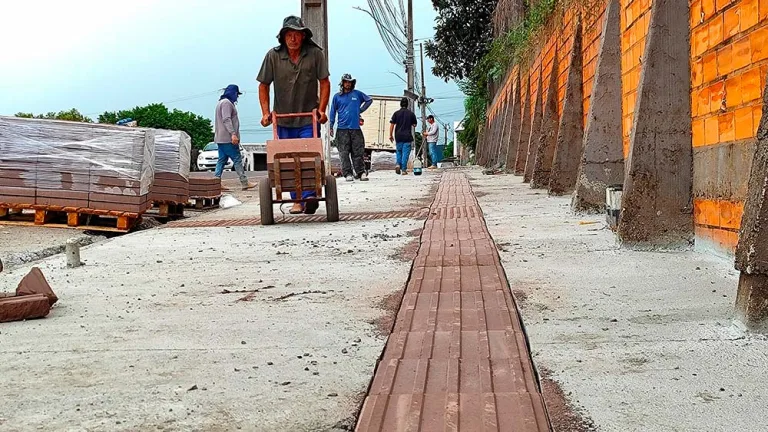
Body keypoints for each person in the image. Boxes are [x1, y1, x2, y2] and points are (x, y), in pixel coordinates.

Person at [257, 15, 331, 214]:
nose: (293, 39)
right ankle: (297, 200)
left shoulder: (315, 54)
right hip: (283, 119)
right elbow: (263, 85)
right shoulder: (273, 56)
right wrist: (265, 113)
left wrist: (322, 110)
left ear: (303, 36)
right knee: (287, 161)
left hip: (308, 118)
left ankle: (309, 197)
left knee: (309, 156)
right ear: (283, 37)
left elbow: (324, 82)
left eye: (297, 34)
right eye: (289, 34)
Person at [329, 74, 373, 182]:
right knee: (343, 153)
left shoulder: (357, 94)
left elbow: (369, 100)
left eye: (349, 82)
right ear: (342, 83)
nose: (348, 84)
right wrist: (331, 126)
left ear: (352, 83)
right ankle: (348, 173)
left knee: (358, 152)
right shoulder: (337, 97)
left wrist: (360, 110)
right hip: (342, 129)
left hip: (355, 128)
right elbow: (332, 112)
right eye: (346, 82)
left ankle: (360, 172)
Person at [214, 84, 254, 190]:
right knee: (237, 159)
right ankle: (244, 182)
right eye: (237, 94)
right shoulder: (227, 103)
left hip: (220, 138)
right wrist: (233, 134)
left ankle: (216, 182)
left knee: (222, 160)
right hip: (228, 138)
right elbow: (226, 119)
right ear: (234, 93)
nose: (237, 97)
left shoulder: (221, 103)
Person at [389, 98, 418, 175]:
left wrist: (390, 135)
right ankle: (404, 170)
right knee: (405, 153)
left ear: (400, 104)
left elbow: (392, 124)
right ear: (407, 105)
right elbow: (414, 125)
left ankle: (398, 164)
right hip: (407, 136)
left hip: (398, 136)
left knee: (399, 152)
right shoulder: (411, 114)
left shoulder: (396, 113)